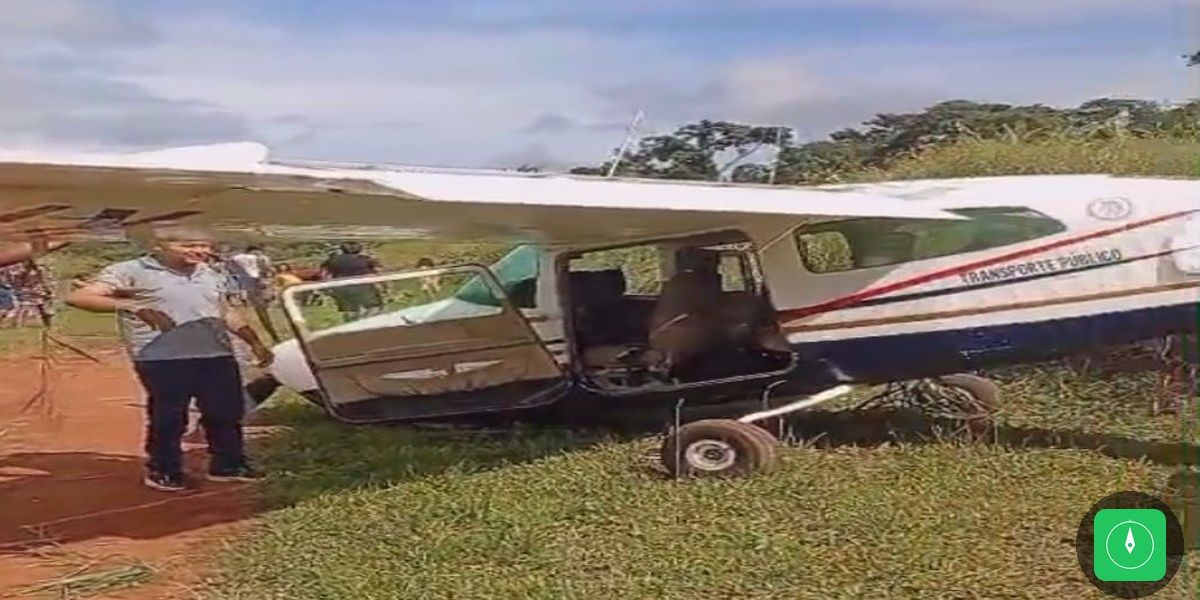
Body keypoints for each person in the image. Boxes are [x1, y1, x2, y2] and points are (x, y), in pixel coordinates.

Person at [67, 224, 274, 492]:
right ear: (158, 246)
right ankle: (163, 469)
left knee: (226, 411)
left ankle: (228, 465)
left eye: (204, 246)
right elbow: (79, 296)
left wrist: (255, 342)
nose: (199, 251)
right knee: (170, 417)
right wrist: (133, 306)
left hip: (216, 353)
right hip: (162, 358)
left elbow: (225, 311)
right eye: (188, 246)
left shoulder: (211, 273)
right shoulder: (131, 271)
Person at [320, 242, 384, 321]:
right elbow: (378, 273)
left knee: (350, 310)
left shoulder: (332, 260)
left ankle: (352, 326)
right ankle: (365, 324)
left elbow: (324, 275)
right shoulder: (366, 259)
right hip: (364, 287)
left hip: (342, 287)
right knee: (374, 308)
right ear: (360, 249)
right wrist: (383, 285)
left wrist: (327, 288)